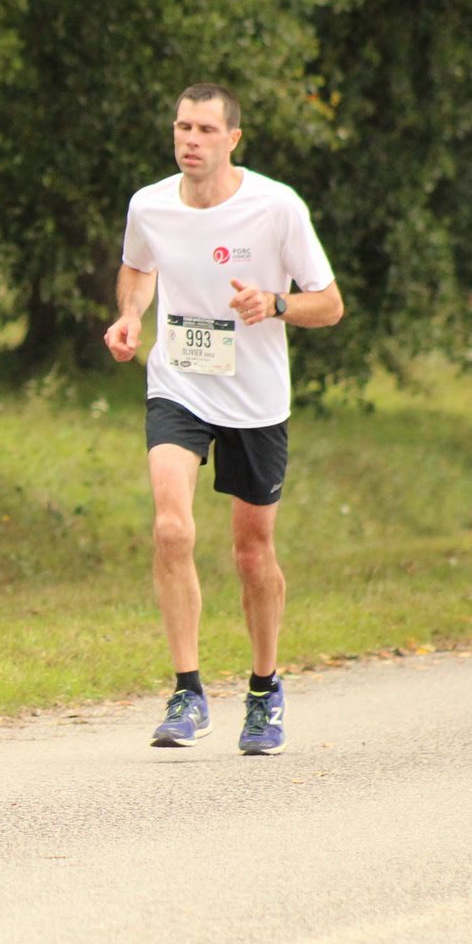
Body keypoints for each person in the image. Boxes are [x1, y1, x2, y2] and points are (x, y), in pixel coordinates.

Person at [104, 83, 343, 756]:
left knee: (251, 552)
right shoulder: (149, 204)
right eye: (183, 127)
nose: (190, 140)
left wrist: (276, 304)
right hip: (179, 383)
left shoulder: (276, 206)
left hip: (255, 397)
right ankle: (187, 690)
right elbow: (137, 269)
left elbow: (329, 304)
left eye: (206, 130)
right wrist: (130, 316)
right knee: (171, 528)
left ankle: (264, 690)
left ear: (233, 139)